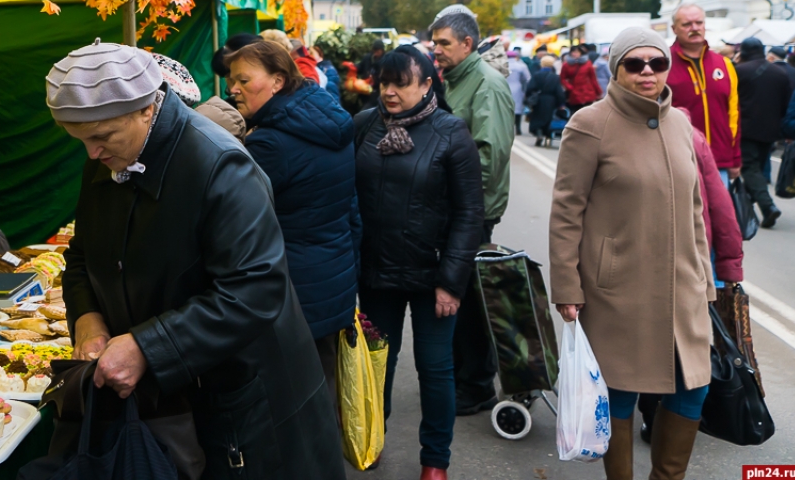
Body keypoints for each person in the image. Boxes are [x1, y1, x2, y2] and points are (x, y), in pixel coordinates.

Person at [47, 40, 345, 480]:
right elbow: (83, 255)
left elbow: (255, 290)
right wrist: (88, 317)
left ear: (147, 109)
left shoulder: (220, 165)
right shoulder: (109, 158)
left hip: (246, 403)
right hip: (174, 398)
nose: (92, 153)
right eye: (82, 141)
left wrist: (146, 346)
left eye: (101, 137)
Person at [549, 27, 715, 480]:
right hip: (617, 293)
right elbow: (567, 211)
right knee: (617, 396)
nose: (647, 72)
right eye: (635, 63)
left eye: (657, 63)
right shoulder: (590, 124)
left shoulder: (680, 122)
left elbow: (696, 208)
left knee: (690, 391)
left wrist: (705, 280)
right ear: (616, 68)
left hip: (683, 290)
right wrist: (567, 285)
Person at [354, 45, 484, 480]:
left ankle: (435, 460)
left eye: (400, 83)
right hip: (376, 273)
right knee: (377, 367)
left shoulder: (452, 133)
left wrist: (452, 279)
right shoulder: (364, 126)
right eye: (383, 82)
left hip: (433, 278)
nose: (389, 92)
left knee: (435, 369)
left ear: (428, 84)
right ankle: (372, 439)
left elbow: (469, 214)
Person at [226, 41, 360, 407]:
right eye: (230, 78)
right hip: (332, 277)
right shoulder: (328, 118)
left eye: (243, 79)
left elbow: (230, 218)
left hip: (292, 289)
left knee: (293, 404)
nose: (231, 88)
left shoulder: (272, 143)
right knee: (322, 387)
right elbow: (351, 210)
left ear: (278, 81)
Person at [427, 7, 514, 415]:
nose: (436, 50)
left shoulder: (487, 85)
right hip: (455, 209)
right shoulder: (457, 80)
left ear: (467, 43)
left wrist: (442, 189)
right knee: (458, 297)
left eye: (444, 43)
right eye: (435, 43)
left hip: (471, 212)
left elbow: (487, 157)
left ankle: (477, 385)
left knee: (469, 301)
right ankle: (465, 376)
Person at [639, 115, 745, 443]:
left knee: (663, 340)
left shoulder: (688, 135)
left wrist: (729, 264)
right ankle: (665, 415)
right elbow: (721, 203)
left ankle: (661, 415)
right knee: (681, 340)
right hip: (677, 261)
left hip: (687, 258)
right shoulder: (692, 135)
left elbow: (718, 202)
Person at [667, 3, 741, 185]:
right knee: (682, 213)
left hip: (719, 162)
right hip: (678, 162)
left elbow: (734, 115)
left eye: (698, 23)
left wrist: (734, 158)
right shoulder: (663, 65)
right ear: (674, 29)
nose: (694, 28)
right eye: (686, 24)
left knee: (720, 213)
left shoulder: (724, 64)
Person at [735, 36, 790, 228]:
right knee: (756, 168)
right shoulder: (780, 73)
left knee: (750, 168)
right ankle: (745, 207)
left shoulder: (739, 71)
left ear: (743, 51)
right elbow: (785, 104)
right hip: (771, 131)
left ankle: (768, 207)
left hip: (746, 128)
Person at [526, 55, 566, 147]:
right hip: (551, 101)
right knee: (549, 119)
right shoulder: (555, 77)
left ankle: (538, 133)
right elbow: (559, 91)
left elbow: (530, 88)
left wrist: (529, 98)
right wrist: (561, 103)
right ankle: (548, 137)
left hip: (538, 100)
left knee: (537, 118)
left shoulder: (536, 75)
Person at [560, 45, 602, 115]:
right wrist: (569, 87)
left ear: (581, 53)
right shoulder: (566, 65)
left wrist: (598, 91)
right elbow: (562, 78)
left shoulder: (588, 63)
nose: (575, 54)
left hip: (588, 91)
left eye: (577, 52)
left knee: (588, 113)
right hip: (574, 92)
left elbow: (593, 78)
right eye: (573, 52)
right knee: (576, 113)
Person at [505, 49, 530, 135]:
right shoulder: (521, 66)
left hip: (505, 87)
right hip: (518, 88)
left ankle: (507, 128)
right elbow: (527, 78)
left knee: (505, 108)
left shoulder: (503, 65)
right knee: (518, 109)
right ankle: (518, 128)